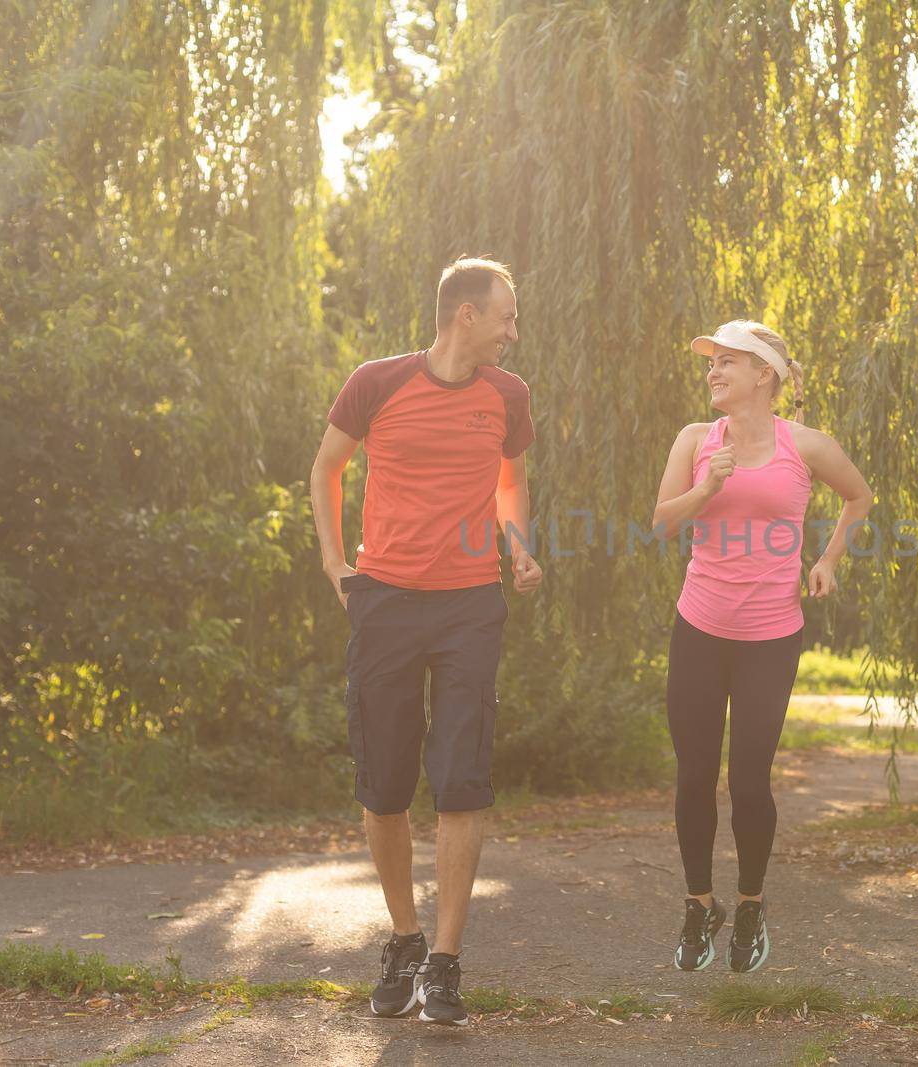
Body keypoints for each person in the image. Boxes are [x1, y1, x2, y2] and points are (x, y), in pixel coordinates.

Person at [309, 257, 542, 1024]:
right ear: (465, 315)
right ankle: (404, 938)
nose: (514, 330)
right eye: (505, 315)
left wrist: (521, 543)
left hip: (471, 603)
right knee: (384, 781)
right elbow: (328, 468)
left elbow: (511, 478)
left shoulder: (509, 395)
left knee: (462, 773)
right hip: (386, 603)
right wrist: (338, 566)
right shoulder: (376, 382)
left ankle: (444, 961)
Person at [651, 319, 872, 973]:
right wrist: (705, 486)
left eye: (726, 361)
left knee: (748, 781)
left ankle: (749, 907)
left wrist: (829, 558)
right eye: (710, 362)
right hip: (698, 628)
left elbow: (858, 496)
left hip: (770, 637)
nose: (712, 371)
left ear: (763, 373)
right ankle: (699, 907)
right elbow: (661, 523)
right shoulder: (695, 440)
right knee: (694, 776)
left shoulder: (805, 445)